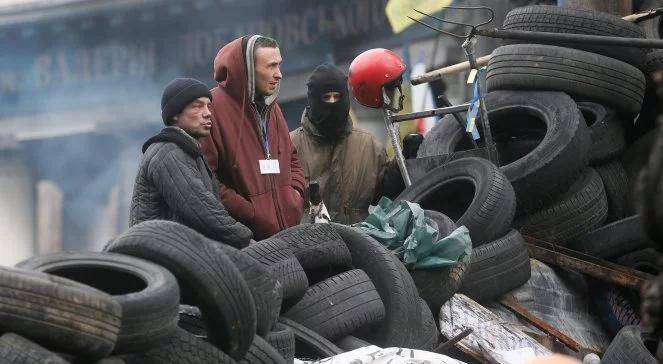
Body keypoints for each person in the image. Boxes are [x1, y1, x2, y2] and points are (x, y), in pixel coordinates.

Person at [201, 35, 306, 240]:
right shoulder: (212, 108)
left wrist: (295, 195)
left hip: (289, 234)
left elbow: (292, 157)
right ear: (247, 69)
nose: (279, 74)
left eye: (279, 65)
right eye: (271, 66)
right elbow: (204, 177)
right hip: (244, 242)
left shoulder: (271, 107)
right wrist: (249, 211)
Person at [130, 78, 253, 248]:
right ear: (174, 114)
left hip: (180, 253)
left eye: (208, 106)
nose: (208, 113)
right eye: (197, 106)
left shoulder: (189, 152)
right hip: (163, 258)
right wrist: (247, 241)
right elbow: (202, 211)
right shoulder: (168, 152)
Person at [290, 63, 387, 224]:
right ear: (313, 100)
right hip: (305, 244)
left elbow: (386, 194)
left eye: (338, 97)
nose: (332, 103)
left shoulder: (369, 146)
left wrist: (404, 164)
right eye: (326, 97)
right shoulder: (289, 146)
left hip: (359, 243)